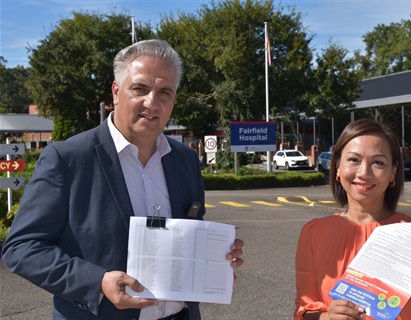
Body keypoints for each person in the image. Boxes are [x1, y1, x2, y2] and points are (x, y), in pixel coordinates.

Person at [2, 39, 244, 320]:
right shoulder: (67, 158)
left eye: (164, 91)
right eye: (140, 88)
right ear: (116, 92)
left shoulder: (185, 160)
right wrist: (98, 282)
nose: (152, 102)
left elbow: (188, 230)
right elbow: (22, 248)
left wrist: (214, 256)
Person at [294, 119, 411, 320]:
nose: (364, 172)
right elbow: (305, 310)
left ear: (393, 172)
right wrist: (327, 317)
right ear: (338, 167)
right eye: (354, 160)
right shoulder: (314, 232)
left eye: (378, 162)